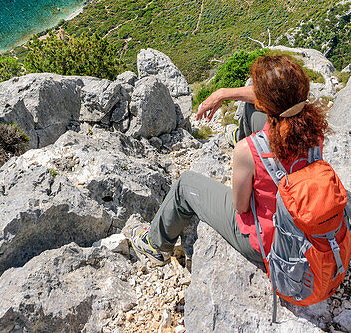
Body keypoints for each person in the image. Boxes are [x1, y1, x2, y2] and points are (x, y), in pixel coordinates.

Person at [127, 54, 330, 269]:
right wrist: (223, 94)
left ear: (265, 101)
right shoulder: (311, 125)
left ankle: (155, 245)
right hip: (306, 223)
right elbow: (269, 98)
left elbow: (241, 207)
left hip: (267, 241)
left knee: (184, 185)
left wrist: (246, 169)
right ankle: (244, 145)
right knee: (249, 108)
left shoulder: (246, 151)